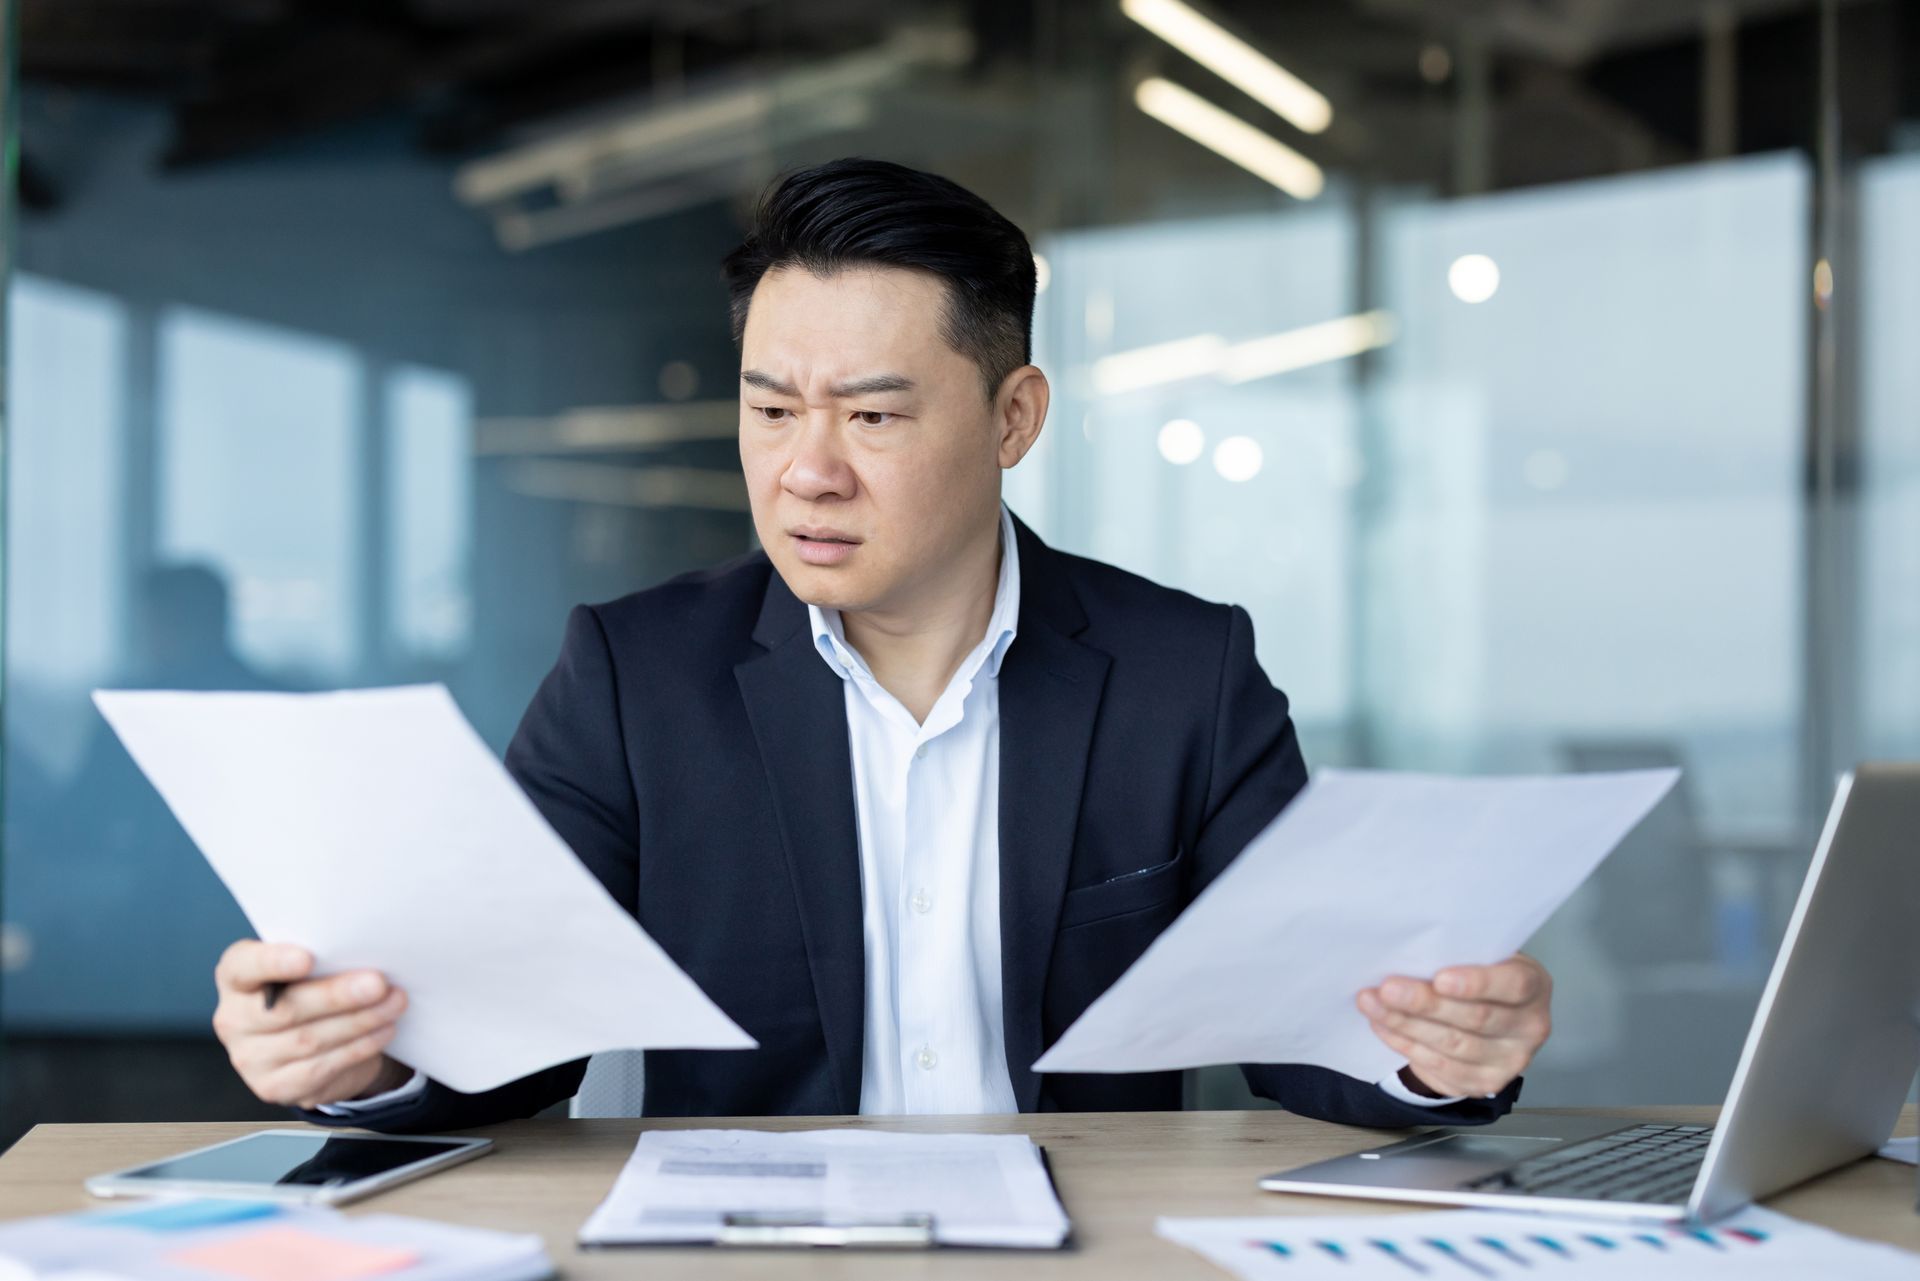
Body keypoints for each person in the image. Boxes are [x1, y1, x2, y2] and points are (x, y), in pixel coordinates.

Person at [209, 159, 1551, 1130]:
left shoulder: (1182, 674)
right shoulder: (634, 676)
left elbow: (1311, 1024)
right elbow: (506, 1041)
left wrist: (1440, 1048)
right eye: (772, 408)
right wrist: (357, 1053)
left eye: (872, 416)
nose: (807, 471)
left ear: (1013, 415)